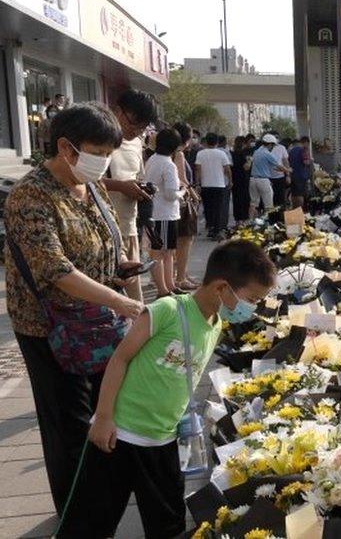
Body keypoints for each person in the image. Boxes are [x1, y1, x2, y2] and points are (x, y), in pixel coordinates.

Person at [4, 102, 143, 536]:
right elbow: (55, 269)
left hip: (97, 323)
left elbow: (102, 241)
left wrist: (121, 264)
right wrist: (120, 302)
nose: (104, 161)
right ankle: (76, 515)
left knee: (107, 413)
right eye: (98, 151)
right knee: (69, 425)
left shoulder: (91, 186)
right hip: (52, 329)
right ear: (66, 148)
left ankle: (102, 499)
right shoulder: (31, 195)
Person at [87, 240, 276, 538]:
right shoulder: (167, 310)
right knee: (95, 519)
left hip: (162, 441)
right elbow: (120, 359)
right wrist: (103, 416)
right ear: (221, 288)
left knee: (168, 523)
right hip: (120, 435)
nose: (252, 308)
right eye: (251, 299)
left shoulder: (214, 324)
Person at [105, 89, 162, 303]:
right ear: (117, 111)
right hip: (105, 227)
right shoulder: (100, 139)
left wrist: (140, 188)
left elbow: (136, 176)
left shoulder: (137, 142)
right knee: (112, 298)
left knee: (134, 297)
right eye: (132, 123)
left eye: (142, 127)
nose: (136, 131)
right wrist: (120, 186)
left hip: (129, 225)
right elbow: (84, 181)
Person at [146, 128, 185, 297]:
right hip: (164, 213)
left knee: (167, 252)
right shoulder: (168, 164)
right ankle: (163, 289)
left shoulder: (152, 159)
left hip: (158, 211)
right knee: (161, 253)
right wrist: (182, 193)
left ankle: (170, 285)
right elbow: (170, 194)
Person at [172, 122, 201, 291]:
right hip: (182, 202)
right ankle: (181, 277)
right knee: (185, 240)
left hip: (174, 203)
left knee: (177, 242)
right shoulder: (179, 154)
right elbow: (181, 179)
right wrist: (194, 194)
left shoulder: (166, 153)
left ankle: (182, 274)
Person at [195, 132, 233, 240]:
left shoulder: (200, 154)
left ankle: (211, 228)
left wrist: (197, 183)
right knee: (218, 208)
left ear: (206, 141)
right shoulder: (222, 154)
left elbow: (198, 169)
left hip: (206, 185)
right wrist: (230, 181)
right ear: (217, 142)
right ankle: (217, 230)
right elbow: (227, 169)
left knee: (208, 208)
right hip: (219, 185)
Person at [250, 134, 287, 218]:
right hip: (263, 180)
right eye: (273, 145)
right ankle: (268, 224)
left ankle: (250, 222)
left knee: (253, 204)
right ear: (270, 144)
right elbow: (279, 166)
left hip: (252, 179)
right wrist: (288, 170)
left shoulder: (256, 152)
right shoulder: (267, 154)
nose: (273, 147)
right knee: (268, 205)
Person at [230, 136, 251, 222]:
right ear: (243, 143)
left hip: (234, 180)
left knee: (236, 200)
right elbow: (246, 167)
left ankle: (237, 219)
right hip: (243, 180)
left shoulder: (232, 154)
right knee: (245, 199)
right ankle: (244, 218)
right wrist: (249, 161)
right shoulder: (243, 154)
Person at [289, 136, 312, 210]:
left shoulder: (291, 150)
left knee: (294, 194)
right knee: (300, 195)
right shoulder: (303, 150)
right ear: (305, 143)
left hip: (293, 175)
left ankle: (294, 210)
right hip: (301, 176)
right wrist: (309, 159)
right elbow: (306, 162)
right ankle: (301, 211)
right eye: (308, 144)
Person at [269, 133, 292, 207]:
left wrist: (288, 175)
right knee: (271, 200)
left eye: (277, 137)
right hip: (269, 178)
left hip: (280, 177)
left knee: (281, 199)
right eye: (274, 137)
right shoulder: (265, 148)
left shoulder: (281, 148)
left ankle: (281, 215)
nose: (276, 139)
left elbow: (285, 161)